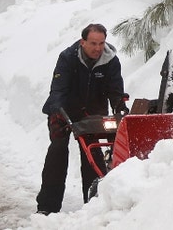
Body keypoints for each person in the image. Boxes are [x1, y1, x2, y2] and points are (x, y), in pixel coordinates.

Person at [35, 23, 127, 215]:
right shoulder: (68, 58)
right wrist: (57, 110)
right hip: (63, 110)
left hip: (92, 114)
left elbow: (115, 91)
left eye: (101, 43)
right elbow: (58, 89)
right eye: (93, 43)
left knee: (91, 153)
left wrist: (120, 106)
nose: (98, 48)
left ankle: (93, 203)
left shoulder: (111, 61)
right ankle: (47, 207)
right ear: (82, 41)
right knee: (58, 152)